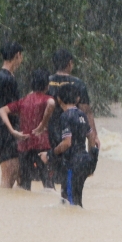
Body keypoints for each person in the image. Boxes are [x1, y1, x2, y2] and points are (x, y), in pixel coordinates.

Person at [46, 49, 100, 187]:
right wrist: (93, 142)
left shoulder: (47, 82)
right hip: (74, 141)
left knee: (49, 180)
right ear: (70, 64)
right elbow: (86, 113)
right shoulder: (78, 84)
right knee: (70, 178)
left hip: (49, 137)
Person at [0, 69, 55, 191]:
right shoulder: (45, 98)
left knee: (24, 187)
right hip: (42, 147)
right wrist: (42, 124)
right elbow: (51, 103)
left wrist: (13, 131)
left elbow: (2, 110)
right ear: (47, 85)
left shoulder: (24, 101)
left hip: (24, 147)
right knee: (48, 185)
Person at [51, 83, 99, 207]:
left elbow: (67, 142)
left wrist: (52, 153)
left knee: (68, 203)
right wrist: (90, 160)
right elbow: (92, 138)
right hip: (85, 161)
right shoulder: (82, 115)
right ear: (78, 99)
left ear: (59, 99)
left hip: (72, 164)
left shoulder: (65, 116)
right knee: (77, 200)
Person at [0, 42, 23, 188]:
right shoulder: (7, 79)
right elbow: (11, 108)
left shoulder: (3, 76)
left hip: (2, 129)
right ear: (17, 55)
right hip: (7, 131)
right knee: (8, 179)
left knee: (19, 174)